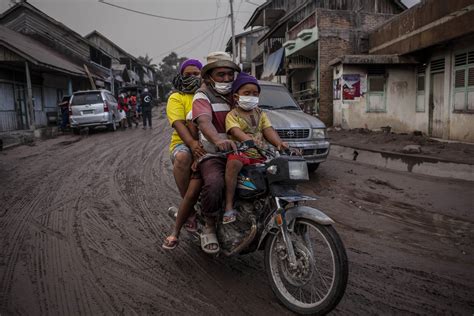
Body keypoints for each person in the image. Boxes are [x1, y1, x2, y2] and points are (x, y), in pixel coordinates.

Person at [223, 73, 288, 224]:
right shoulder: (232, 115)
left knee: (280, 167)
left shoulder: (261, 113)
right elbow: (234, 131)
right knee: (233, 163)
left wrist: (279, 143)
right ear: (236, 96)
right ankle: (228, 205)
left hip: (261, 154)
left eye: (255, 94)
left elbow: (268, 130)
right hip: (242, 152)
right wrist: (248, 140)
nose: (251, 96)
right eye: (247, 93)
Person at [192, 51, 240, 254]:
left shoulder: (238, 94)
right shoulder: (202, 96)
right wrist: (219, 140)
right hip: (214, 154)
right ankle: (209, 226)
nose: (227, 79)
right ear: (209, 76)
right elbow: (204, 122)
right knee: (214, 183)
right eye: (221, 74)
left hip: (242, 152)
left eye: (230, 74)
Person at [162, 59, 206, 249]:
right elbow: (179, 125)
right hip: (183, 143)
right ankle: (189, 210)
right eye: (188, 74)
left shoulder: (208, 95)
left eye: (196, 74)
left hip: (208, 142)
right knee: (182, 158)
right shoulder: (176, 97)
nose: (193, 77)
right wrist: (193, 145)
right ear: (181, 75)